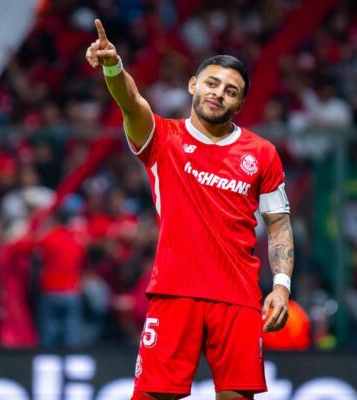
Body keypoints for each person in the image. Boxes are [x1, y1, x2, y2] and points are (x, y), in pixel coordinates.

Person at [86, 19, 294, 400]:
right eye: (212, 83)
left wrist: (281, 287)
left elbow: (278, 225)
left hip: (239, 298)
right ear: (193, 84)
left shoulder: (262, 153)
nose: (219, 94)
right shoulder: (162, 138)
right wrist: (113, 66)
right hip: (174, 292)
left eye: (231, 91)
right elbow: (131, 101)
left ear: (240, 104)